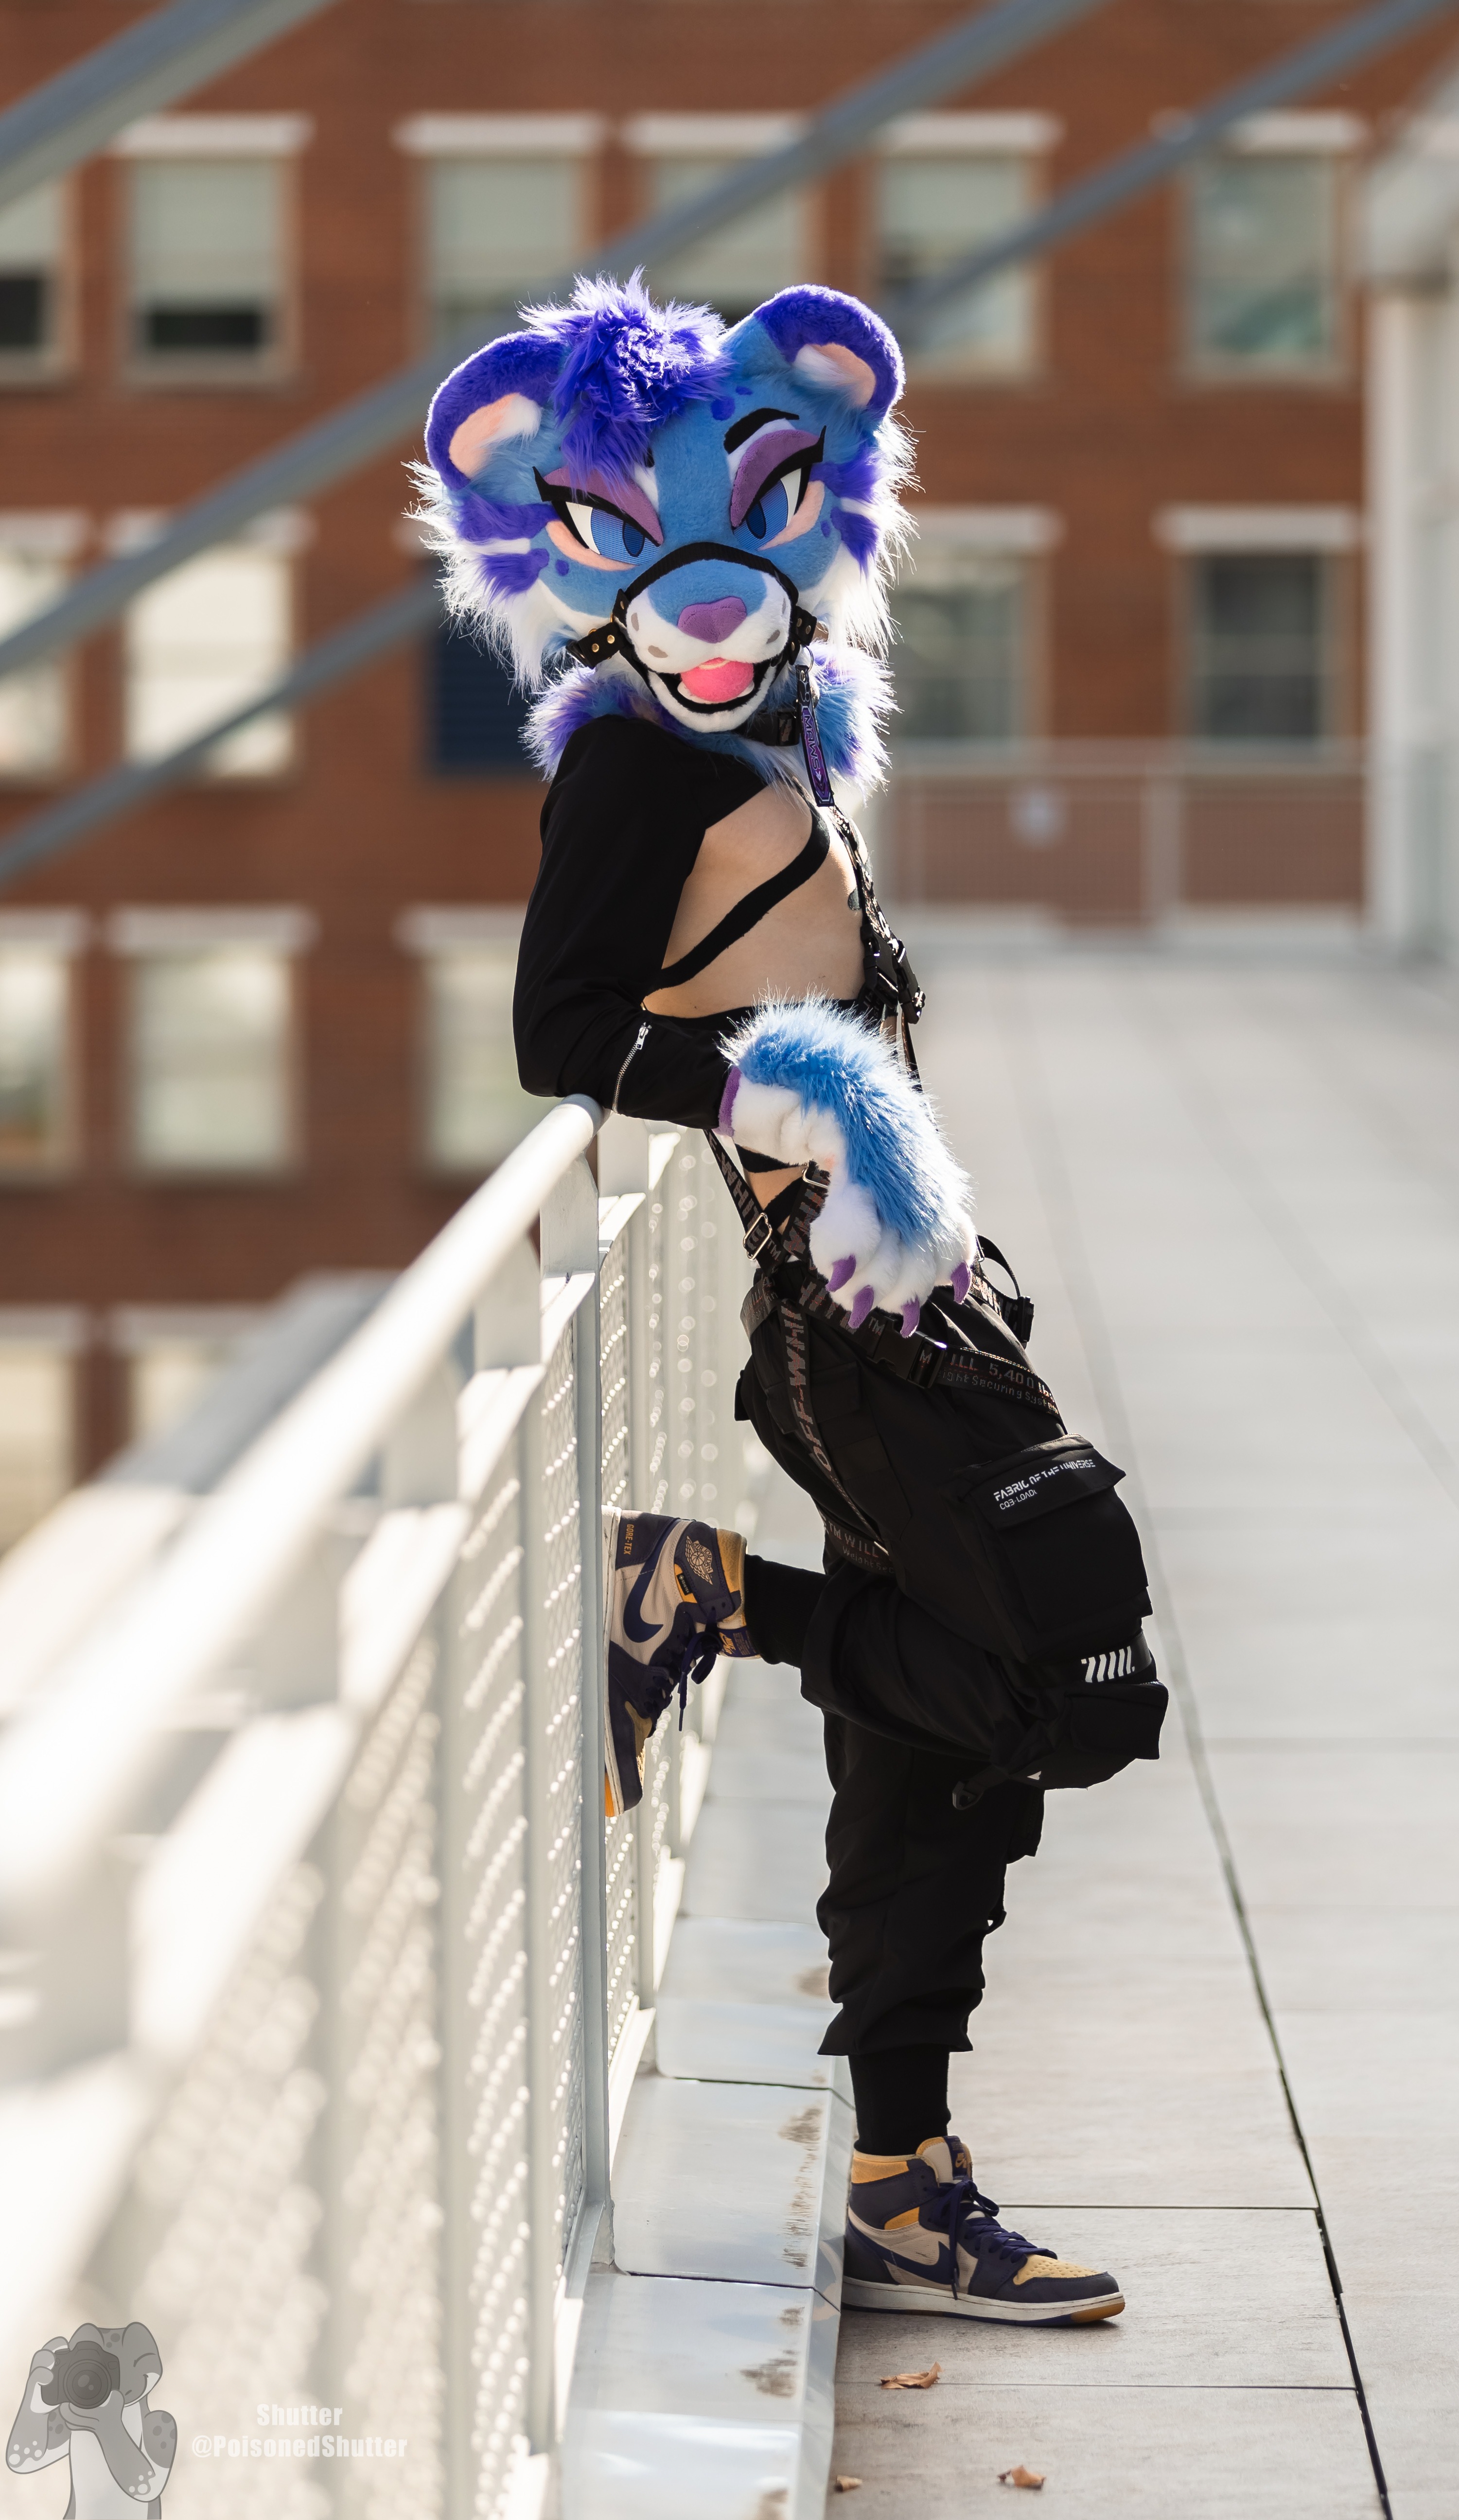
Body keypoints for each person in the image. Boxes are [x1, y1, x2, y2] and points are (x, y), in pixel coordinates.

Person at [421, 274, 1166, 2326]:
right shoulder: (631, 776)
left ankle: (902, 2176)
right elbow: (562, 1033)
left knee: (937, 1748)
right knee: (1064, 1665)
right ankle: (708, 1594)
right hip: (837, 1312)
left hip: (909, 1288)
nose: (713, 593)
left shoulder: (765, 737)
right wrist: (787, 1095)